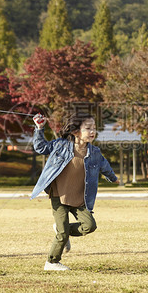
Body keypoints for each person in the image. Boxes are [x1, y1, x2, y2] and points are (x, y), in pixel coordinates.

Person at [30, 113, 119, 271]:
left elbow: (105, 167)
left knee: (89, 226)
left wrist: (113, 178)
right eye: (88, 128)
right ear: (76, 131)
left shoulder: (95, 152)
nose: (92, 131)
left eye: (94, 128)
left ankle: (62, 231)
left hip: (80, 198)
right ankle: (51, 262)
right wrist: (40, 128)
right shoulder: (61, 145)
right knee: (63, 233)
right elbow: (41, 148)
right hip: (59, 195)